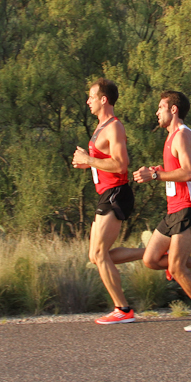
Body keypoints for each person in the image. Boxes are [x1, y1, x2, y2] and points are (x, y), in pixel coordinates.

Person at [134, 91, 191, 332]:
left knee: (175, 267)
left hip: (189, 209)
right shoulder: (171, 137)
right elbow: (176, 171)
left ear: (173, 110)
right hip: (174, 211)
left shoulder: (182, 136)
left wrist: (155, 175)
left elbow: (188, 173)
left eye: (161, 107)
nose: (157, 112)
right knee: (151, 259)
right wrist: (159, 170)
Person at [72, 79, 139, 324]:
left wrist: (89, 160)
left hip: (117, 192)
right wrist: (86, 162)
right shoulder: (100, 127)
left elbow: (121, 164)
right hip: (107, 192)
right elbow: (103, 162)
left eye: (91, 96)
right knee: (96, 255)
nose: (88, 101)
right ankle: (154, 252)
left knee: (99, 253)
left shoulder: (114, 127)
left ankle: (122, 309)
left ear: (104, 99)